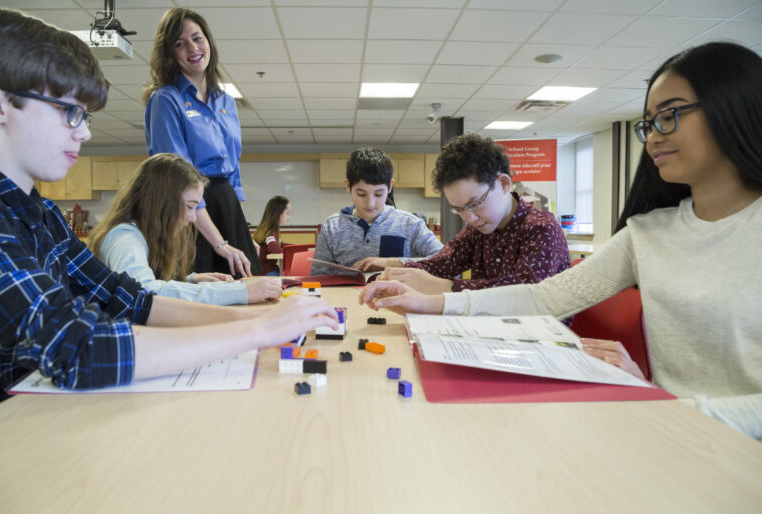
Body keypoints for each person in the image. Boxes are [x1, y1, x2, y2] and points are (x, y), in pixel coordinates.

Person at [360, 41, 762, 441]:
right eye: (648, 122)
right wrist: (426, 300)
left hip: (691, 433)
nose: (652, 137)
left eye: (669, 116)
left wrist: (664, 404)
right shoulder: (648, 232)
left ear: (736, 108)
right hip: (664, 429)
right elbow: (543, 298)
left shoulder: (541, 226)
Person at [0, 7, 337, 421]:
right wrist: (258, 330)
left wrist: (262, 317)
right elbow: (79, 348)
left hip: (37, 412)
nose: (84, 132)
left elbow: (130, 299)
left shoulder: (42, 212)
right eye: (69, 112)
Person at [368, 134, 570, 295]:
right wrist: (401, 273)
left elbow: (525, 293)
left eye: (475, 204)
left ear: (504, 184)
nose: (469, 218)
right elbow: (443, 263)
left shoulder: (541, 228)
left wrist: (449, 287)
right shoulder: (478, 229)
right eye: (459, 209)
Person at [143, 8, 260, 278]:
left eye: (197, 38)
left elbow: (233, 171)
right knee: (205, 294)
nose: (193, 48)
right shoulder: (165, 100)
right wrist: (219, 243)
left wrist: (240, 229)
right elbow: (179, 179)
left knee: (247, 288)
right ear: (170, 53)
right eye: (180, 44)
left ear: (208, 41)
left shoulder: (226, 101)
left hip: (225, 201)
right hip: (188, 209)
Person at [89, 154, 283, 305]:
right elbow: (143, 293)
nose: (192, 218)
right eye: (190, 206)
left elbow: (149, 281)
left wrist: (191, 280)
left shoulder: (141, 234)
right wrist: (242, 292)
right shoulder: (124, 238)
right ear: (161, 202)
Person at [311, 147, 443, 275]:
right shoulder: (332, 227)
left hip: (397, 296)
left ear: (390, 186)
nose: (370, 203)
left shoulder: (410, 224)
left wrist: (395, 262)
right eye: (361, 194)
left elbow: (444, 261)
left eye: (379, 194)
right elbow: (318, 277)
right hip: (346, 297)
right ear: (348, 186)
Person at [253, 195, 291, 276]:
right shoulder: (269, 231)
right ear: (278, 214)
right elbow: (274, 248)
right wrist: (289, 252)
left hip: (266, 271)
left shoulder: (267, 229)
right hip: (266, 272)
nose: (289, 216)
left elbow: (282, 245)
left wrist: (296, 249)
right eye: (287, 213)